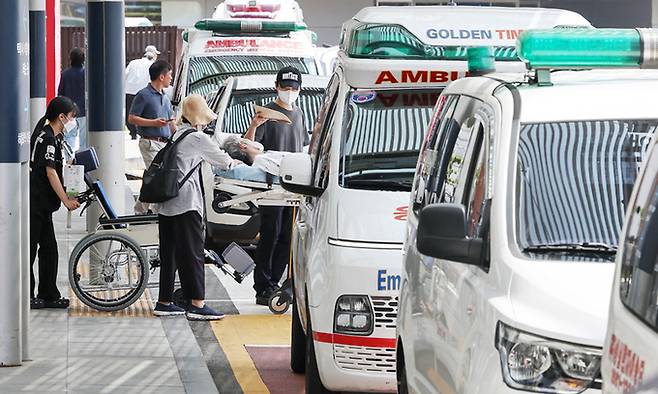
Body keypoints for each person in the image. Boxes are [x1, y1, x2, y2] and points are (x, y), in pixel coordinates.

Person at [154, 94, 236, 320]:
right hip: (186, 204)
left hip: (167, 203)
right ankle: (197, 304)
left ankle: (164, 301)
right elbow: (225, 162)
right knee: (193, 253)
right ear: (200, 117)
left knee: (169, 255)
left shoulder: (177, 134)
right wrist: (240, 158)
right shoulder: (197, 138)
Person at [244, 66, 309, 305]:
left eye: (293, 88)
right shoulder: (267, 113)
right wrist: (255, 124)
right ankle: (262, 285)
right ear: (276, 87)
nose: (289, 92)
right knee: (270, 234)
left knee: (286, 236)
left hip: (293, 186)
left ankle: (276, 282)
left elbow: (303, 147)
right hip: (271, 185)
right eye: (285, 88)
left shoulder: (299, 114)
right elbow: (248, 145)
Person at [30, 96, 82, 310]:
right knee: (31, 249)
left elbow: (59, 166)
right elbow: (50, 172)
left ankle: (49, 294)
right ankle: (29, 294)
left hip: (43, 204)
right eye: (71, 117)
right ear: (61, 117)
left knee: (49, 249)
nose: (72, 122)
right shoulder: (47, 137)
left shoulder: (54, 136)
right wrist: (66, 200)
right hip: (35, 202)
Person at [128, 60, 175, 215]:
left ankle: (143, 210)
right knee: (156, 177)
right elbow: (132, 118)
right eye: (169, 75)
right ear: (161, 76)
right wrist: (153, 123)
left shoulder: (165, 97)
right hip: (149, 142)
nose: (171, 78)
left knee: (153, 177)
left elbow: (172, 122)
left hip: (164, 143)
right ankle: (149, 211)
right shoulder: (143, 95)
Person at [125, 45, 160, 139]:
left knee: (130, 112)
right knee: (144, 112)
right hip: (144, 92)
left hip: (129, 90)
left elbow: (125, 74)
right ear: (153, 55)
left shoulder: (133, 62)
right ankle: (141, 131)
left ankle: (133, 132)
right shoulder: (152, 65)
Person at [57, 47, 86, 154]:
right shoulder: (86, 73)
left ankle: (69, 162)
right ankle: (82, 164)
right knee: (84, 140)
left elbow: (60, 92)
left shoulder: (65, 74)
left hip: (69, 113)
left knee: (69, 138)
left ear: (70, 59)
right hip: (83, 111)